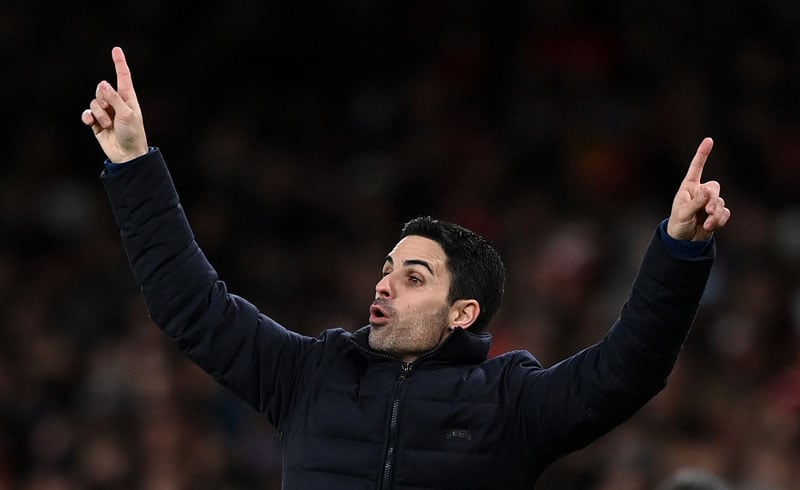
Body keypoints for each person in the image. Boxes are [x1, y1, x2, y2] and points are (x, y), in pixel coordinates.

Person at [81, 47, 731, 489]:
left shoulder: (511, 404)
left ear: (462, 313)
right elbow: (189, 304)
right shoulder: (308, 376)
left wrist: (679, 249)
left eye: (415, 277)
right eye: (388, 268)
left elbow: (628, 369)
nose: (384, 283)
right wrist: (133, 165)